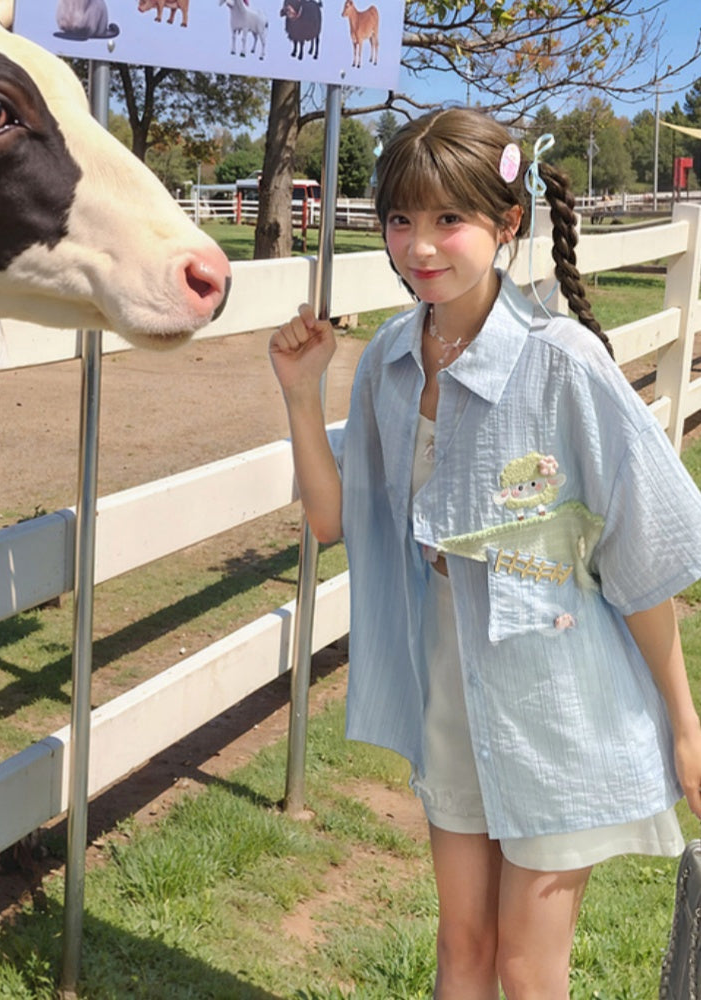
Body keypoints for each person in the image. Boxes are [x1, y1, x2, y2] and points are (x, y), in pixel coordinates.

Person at [268, 106, 701, 999]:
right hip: (452, 691)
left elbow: (642, 562)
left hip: (557, 704)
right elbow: (331, 519)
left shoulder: (564, 365)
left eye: (447, 220)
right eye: (400, 219)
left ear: (506, 226)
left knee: (524, 968)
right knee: (460, 949)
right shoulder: (392, 356)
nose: (419, 246)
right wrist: (302, 395)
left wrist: (687, 727)